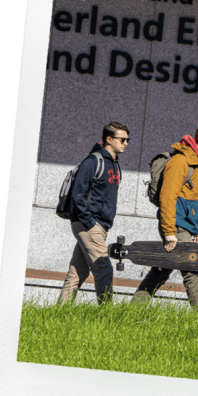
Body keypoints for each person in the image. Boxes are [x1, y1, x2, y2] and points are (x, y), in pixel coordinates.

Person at [131, 121, 198, 309]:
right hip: (175, 225)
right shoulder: (180, 161)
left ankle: (133, 309)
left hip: (188, 225)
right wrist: (168, 232)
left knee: (162, 267)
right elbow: (167, 197)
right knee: (192, 268)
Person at [58, 121, 129, 305]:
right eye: (122, 139)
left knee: (78, 271)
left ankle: (60, 310)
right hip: (89, 223)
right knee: (103, 267)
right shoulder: (93, 161)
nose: (126, 143)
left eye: (127, 139)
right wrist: (89, 222)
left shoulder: (114, 165)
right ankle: (106, 313)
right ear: (109, 139)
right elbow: (77, 195)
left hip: (100, 225)